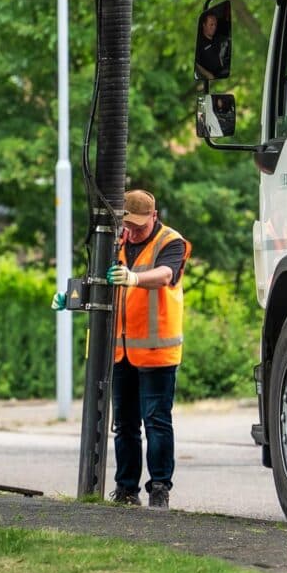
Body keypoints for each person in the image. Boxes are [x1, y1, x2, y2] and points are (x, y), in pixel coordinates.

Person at [105, 189, 187, 507]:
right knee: (125, 423)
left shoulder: (170, 241)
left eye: (140, 225)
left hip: (157, 349)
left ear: (154, 216)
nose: (134, 230)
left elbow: (166, 274)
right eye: (130, 224)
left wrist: (133, 278)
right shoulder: (117, 242)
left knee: (156, 420)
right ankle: (126, 489)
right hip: (122, 349)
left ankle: (160, 487)